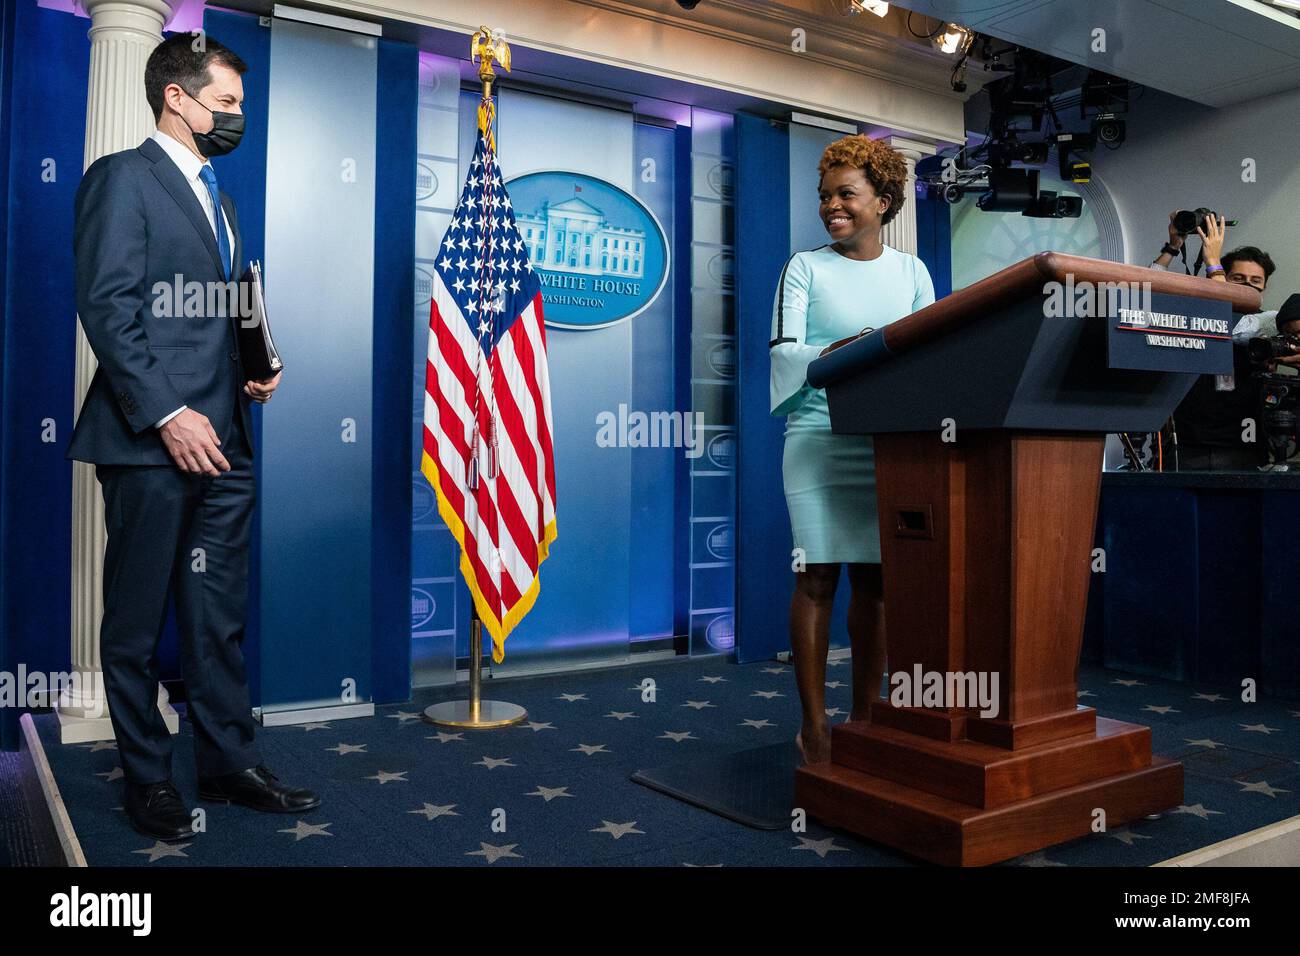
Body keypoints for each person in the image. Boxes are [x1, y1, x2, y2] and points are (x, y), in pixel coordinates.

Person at [66, 33, 318, 842]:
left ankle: (227, 763)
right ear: (178, 96)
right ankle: (149, 780)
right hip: (150, 439)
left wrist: (258, 361)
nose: (239, 116)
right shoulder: (121, 179)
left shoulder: (223, 197)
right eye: (229, 102)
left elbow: (234, 300)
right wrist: (171, 413)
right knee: (136, 624)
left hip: (230, 441)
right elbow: (109, 307)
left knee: (217, 616)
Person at [769, 135, 935, 764]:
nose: (831, 206)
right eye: (825, 196)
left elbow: (928, 354)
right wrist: (845, 352)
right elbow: (785, 352)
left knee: (879, 581)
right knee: (816, 578)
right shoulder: (804, 266)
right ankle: (814, 728)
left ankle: (865, 719)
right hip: (816, 439)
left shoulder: (913, 272)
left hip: (886, 444)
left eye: (846, 194)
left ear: (884, 201)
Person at [1151, 212, 1281, 469]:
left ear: (1264, 289)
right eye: (1237, 279)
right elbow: (1146, 292)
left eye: (1255, 282)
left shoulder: (1267, 321)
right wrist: (1173, 247)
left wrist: (1213, 262)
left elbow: (1230, 328)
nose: (1246, 287)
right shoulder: (1195, 315)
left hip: (1241, 449)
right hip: (1186, 445)